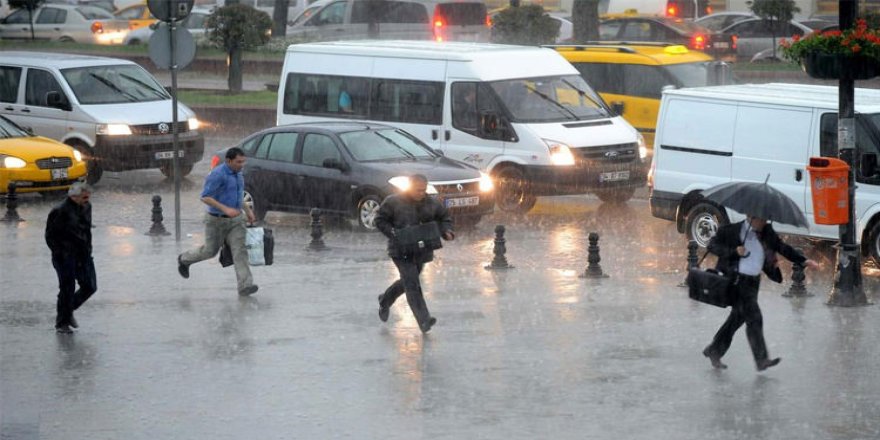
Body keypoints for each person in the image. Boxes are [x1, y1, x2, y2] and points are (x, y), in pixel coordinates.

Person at [702, 216, 819, 371]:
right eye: (762, 219)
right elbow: (712, 245)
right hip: (736, 281)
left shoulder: (767, 232)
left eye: (766, 219)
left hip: (753, 282)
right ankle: (761, 359)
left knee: (737, 318)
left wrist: (803, 261)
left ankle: (714, 350)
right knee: (754, 318)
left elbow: (782, 247)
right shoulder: (730, 231)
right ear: (751, 217)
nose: (765, 222)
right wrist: (734, 252)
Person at [375, 174, 454, 333]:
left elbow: (444, 218)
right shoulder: (393, 201)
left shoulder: (431, 203)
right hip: (400, 250)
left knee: (408, 281)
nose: (421, 193)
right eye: (418, 190)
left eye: (423, 190)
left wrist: (447, 231)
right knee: (412, 283)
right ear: (409, 187)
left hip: (421, 250)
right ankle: (424, 319)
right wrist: (392, 232)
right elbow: (379, 220)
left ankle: (385, 299)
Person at [177, 147, 259, 296]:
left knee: (240, 251)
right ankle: (184, 259)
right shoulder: (217, 174)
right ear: (228, 161)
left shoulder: (238, 174)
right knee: (210, 251)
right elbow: (205, 197)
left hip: (236, 221)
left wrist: (248, 211)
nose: (241, 165)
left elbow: (238, 195)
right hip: (216, 221)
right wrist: (225, 209)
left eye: (243, 162)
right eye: (238, 162)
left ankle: (245, 285)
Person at [45, 182, 97, 334]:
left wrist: (88, 248)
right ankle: (62, 322)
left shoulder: (87, 206)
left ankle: (67, 312)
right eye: (84, 197)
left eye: (88, 197)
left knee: (90, 286)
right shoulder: (59, 211)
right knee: (67, 288)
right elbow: (50, 236)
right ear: (74, 197)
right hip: (65, 256)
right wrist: (60, 252)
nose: (87, 200)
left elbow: (86, 230)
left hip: (83, 253)